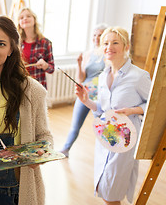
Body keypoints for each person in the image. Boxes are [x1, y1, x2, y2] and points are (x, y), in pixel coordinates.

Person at [0, 15, 53, 205]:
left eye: (1, 44)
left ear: (12, 49)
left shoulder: (32, 90)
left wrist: (38, 156)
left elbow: (45, 138)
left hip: (16, 190)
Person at [75, 27, 151, 205]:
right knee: (104, 186)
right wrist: (86, 100)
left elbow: (154, 105)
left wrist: (132, 110)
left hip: (126, 137)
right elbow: (102, 109)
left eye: (115, 42)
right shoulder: (103, 76)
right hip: (107, 134)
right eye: (105, 43)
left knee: (112, 190)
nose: (109, 47)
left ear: (126, 46)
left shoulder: (139, 76)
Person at [60, 23, 108, 157]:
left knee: (102, 126)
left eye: (100, 35)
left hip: (99, 97)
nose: (96, 38)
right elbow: (81, 79)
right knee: (75, 124)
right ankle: (65, 149)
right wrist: (79, 63)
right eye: (94, 35)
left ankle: (107, 152)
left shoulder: (108, 54)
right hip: (85, 94)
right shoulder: (88, 54)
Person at [17, 7, 55, 89]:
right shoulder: (16, 43)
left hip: (38, 86)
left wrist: (45, 65)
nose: (25, 18)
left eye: (28, 16)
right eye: (21, 17)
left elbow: (51, 69)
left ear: (34, 20)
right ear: (19, 23)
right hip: (20, 85)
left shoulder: (46, 43)